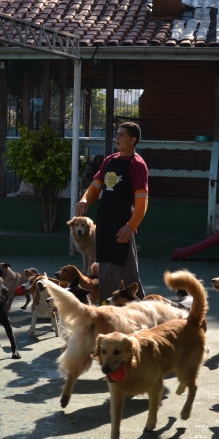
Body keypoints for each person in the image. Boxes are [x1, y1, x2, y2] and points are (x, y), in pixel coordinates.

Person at [75, 122, 149, 303]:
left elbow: (142, 201)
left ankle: (144, 316)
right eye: (117, 134)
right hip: (104, 225)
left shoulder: (138, 165)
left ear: (133, 140)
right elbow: (95, 186)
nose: (117, 137)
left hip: (122, 226)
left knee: (129, 278)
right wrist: (85, 199)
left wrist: (130, 226)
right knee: (105, 274)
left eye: (122, 135)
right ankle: (106, 313)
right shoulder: (109, 160)